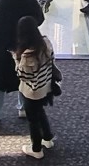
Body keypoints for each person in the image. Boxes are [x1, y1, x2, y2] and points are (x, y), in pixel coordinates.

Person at [14, 15, 58, 158]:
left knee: (33, 120)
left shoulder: (27, 55)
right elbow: (52, 60)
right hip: (46, 86)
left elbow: (23, 76)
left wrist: (16, 60)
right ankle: (47, 138)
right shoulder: (45, 42)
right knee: (40, 112)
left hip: (32, 91)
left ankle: (36, 149)